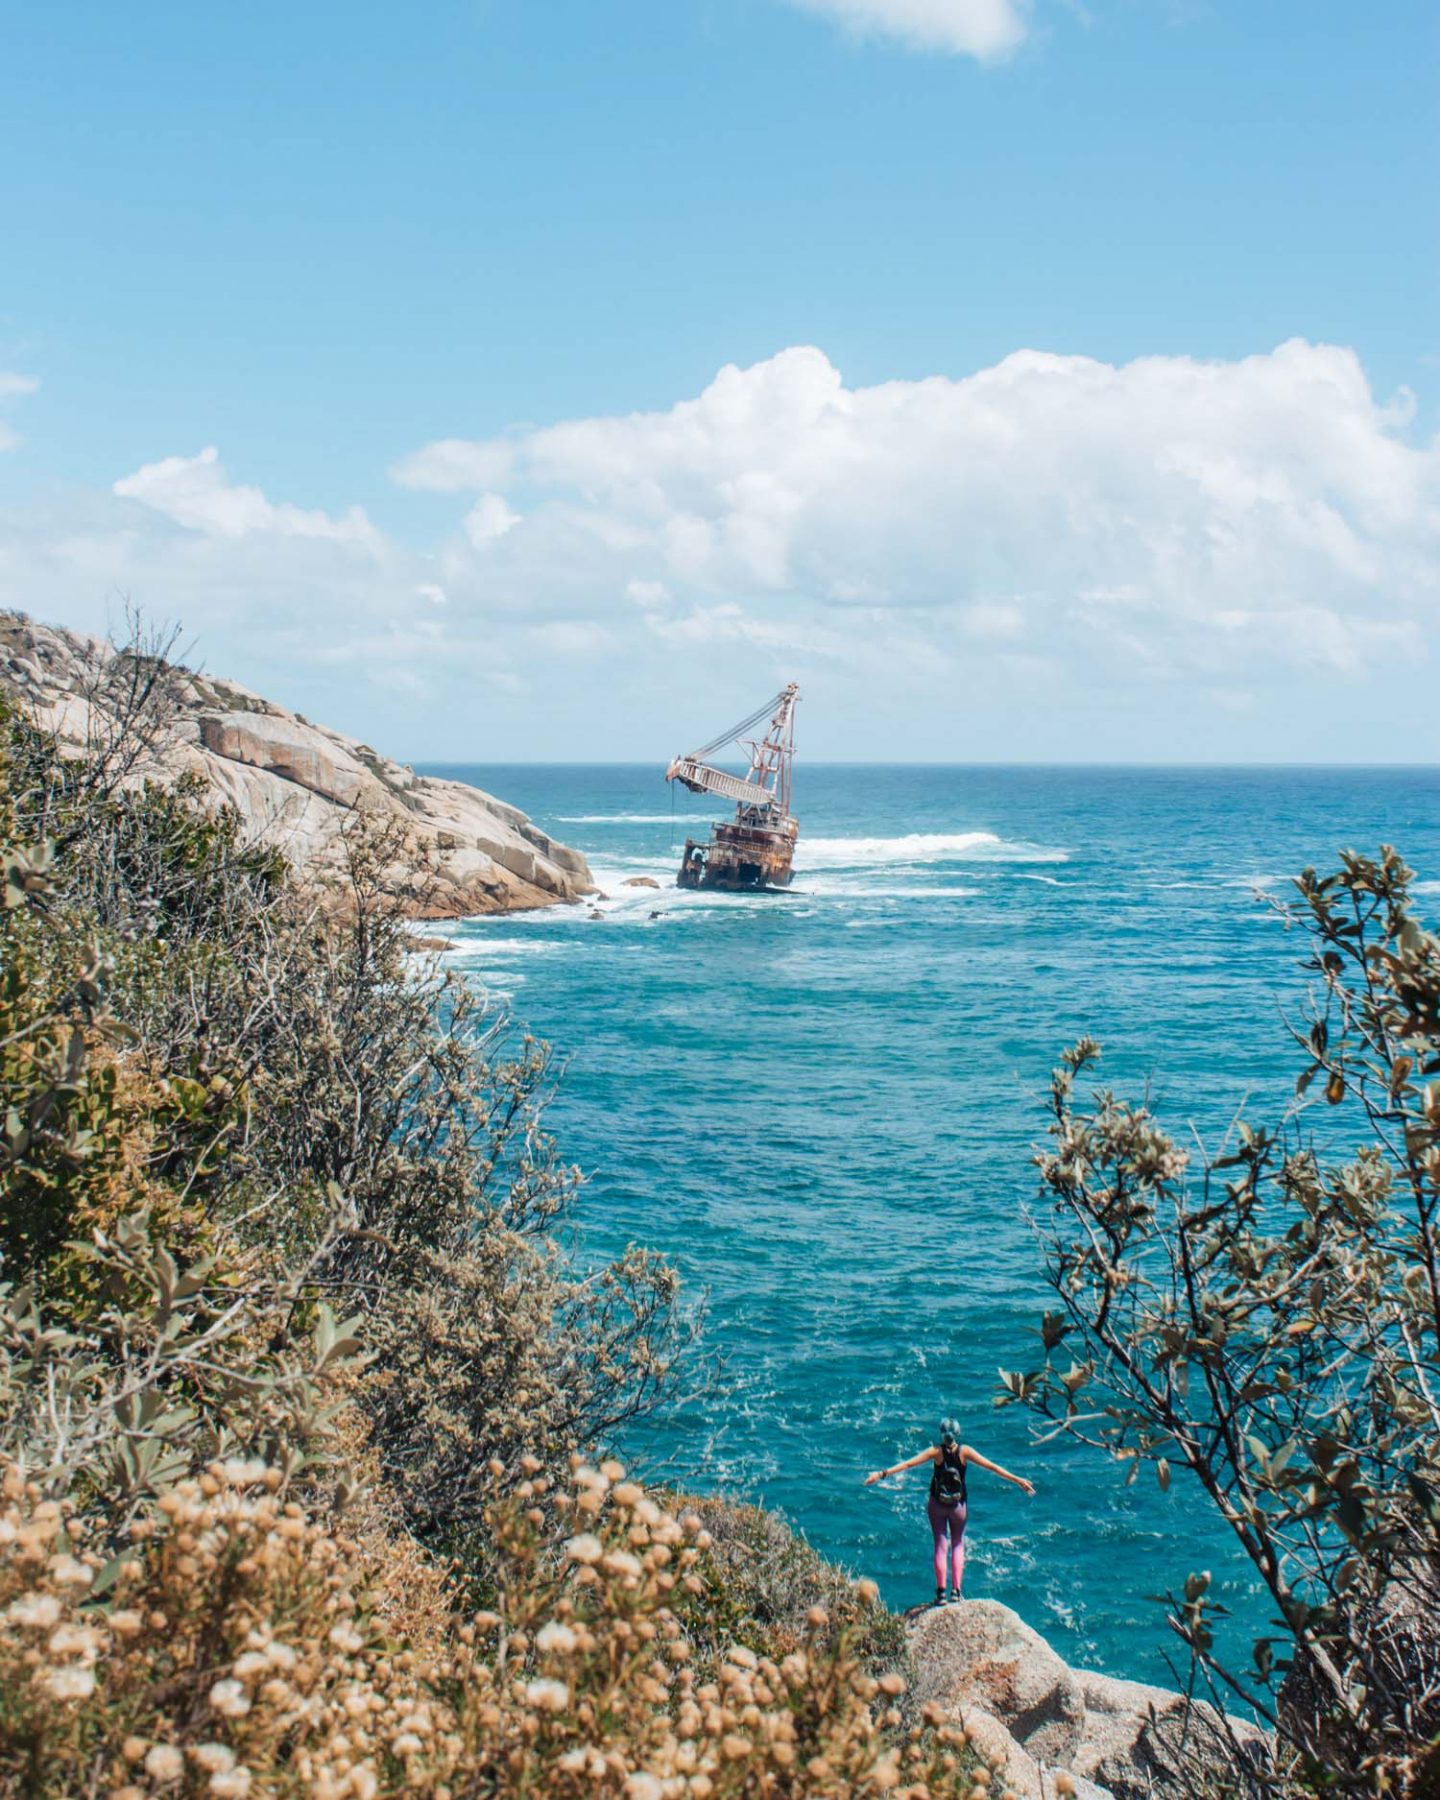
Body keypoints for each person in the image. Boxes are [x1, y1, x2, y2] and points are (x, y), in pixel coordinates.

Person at [864, 1425, 1035, 1607]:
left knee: (940, 1544)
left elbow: (908, 1464)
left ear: (941, 1433)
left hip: (937, 1504)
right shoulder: (965, 1451)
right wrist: (1019, 1480)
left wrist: (880, 1474)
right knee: (958, 1543)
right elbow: (992, 1467)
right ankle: (956, 1591)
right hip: (958, 1505)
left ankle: (941, 1593)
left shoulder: (935, 1452)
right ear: (957, 1434)